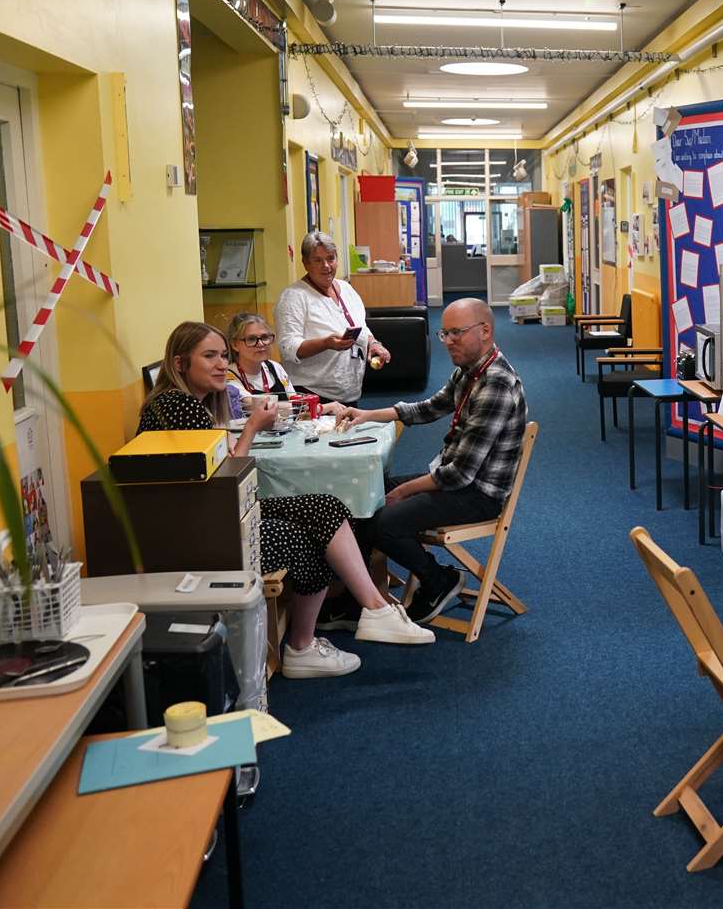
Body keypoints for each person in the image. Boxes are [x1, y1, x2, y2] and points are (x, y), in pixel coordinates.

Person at [139, 321, 434, 676]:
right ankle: (308, 643)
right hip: (202, 536)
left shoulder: (191, 405)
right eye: (209, 356)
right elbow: (224, 484)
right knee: (309, 535)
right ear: (179, 363)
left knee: (328, 507)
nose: (221, 364)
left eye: (222, 355)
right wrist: (250, 430)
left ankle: (367, 612)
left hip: (213, 518)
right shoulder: (178, 406)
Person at [338, 299, 528, 624]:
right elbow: (426, 409)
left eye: (457, 333)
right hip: (451, 479)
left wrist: (405, 492)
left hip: (477, 495)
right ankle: (356, 594)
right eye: (445, 334)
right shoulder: (470, 371)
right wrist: (366, 414)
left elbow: (459, 475)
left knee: (381, 521)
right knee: (362, 494)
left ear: (485, 331)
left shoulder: (495, 384)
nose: (449, 341)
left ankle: (439, 579)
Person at [275, 231, 391, 405]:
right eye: (318, 260)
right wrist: (325, 344)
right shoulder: (293, 297)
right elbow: (288, 347)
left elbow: (361, 327)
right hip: (312, 395)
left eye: (331, 258)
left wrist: (373, 344)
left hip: (349, 393)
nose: (326, 266)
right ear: (306, 263)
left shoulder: (347, 289)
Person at [223, 311, 301, 420]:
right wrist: (312, 407)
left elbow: (295, 401)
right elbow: (261, 408)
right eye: (251, 339)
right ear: (235, 345)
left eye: (265, 337)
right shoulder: (227, 376)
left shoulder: (275, 367)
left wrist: (302, 407)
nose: (260, 344)